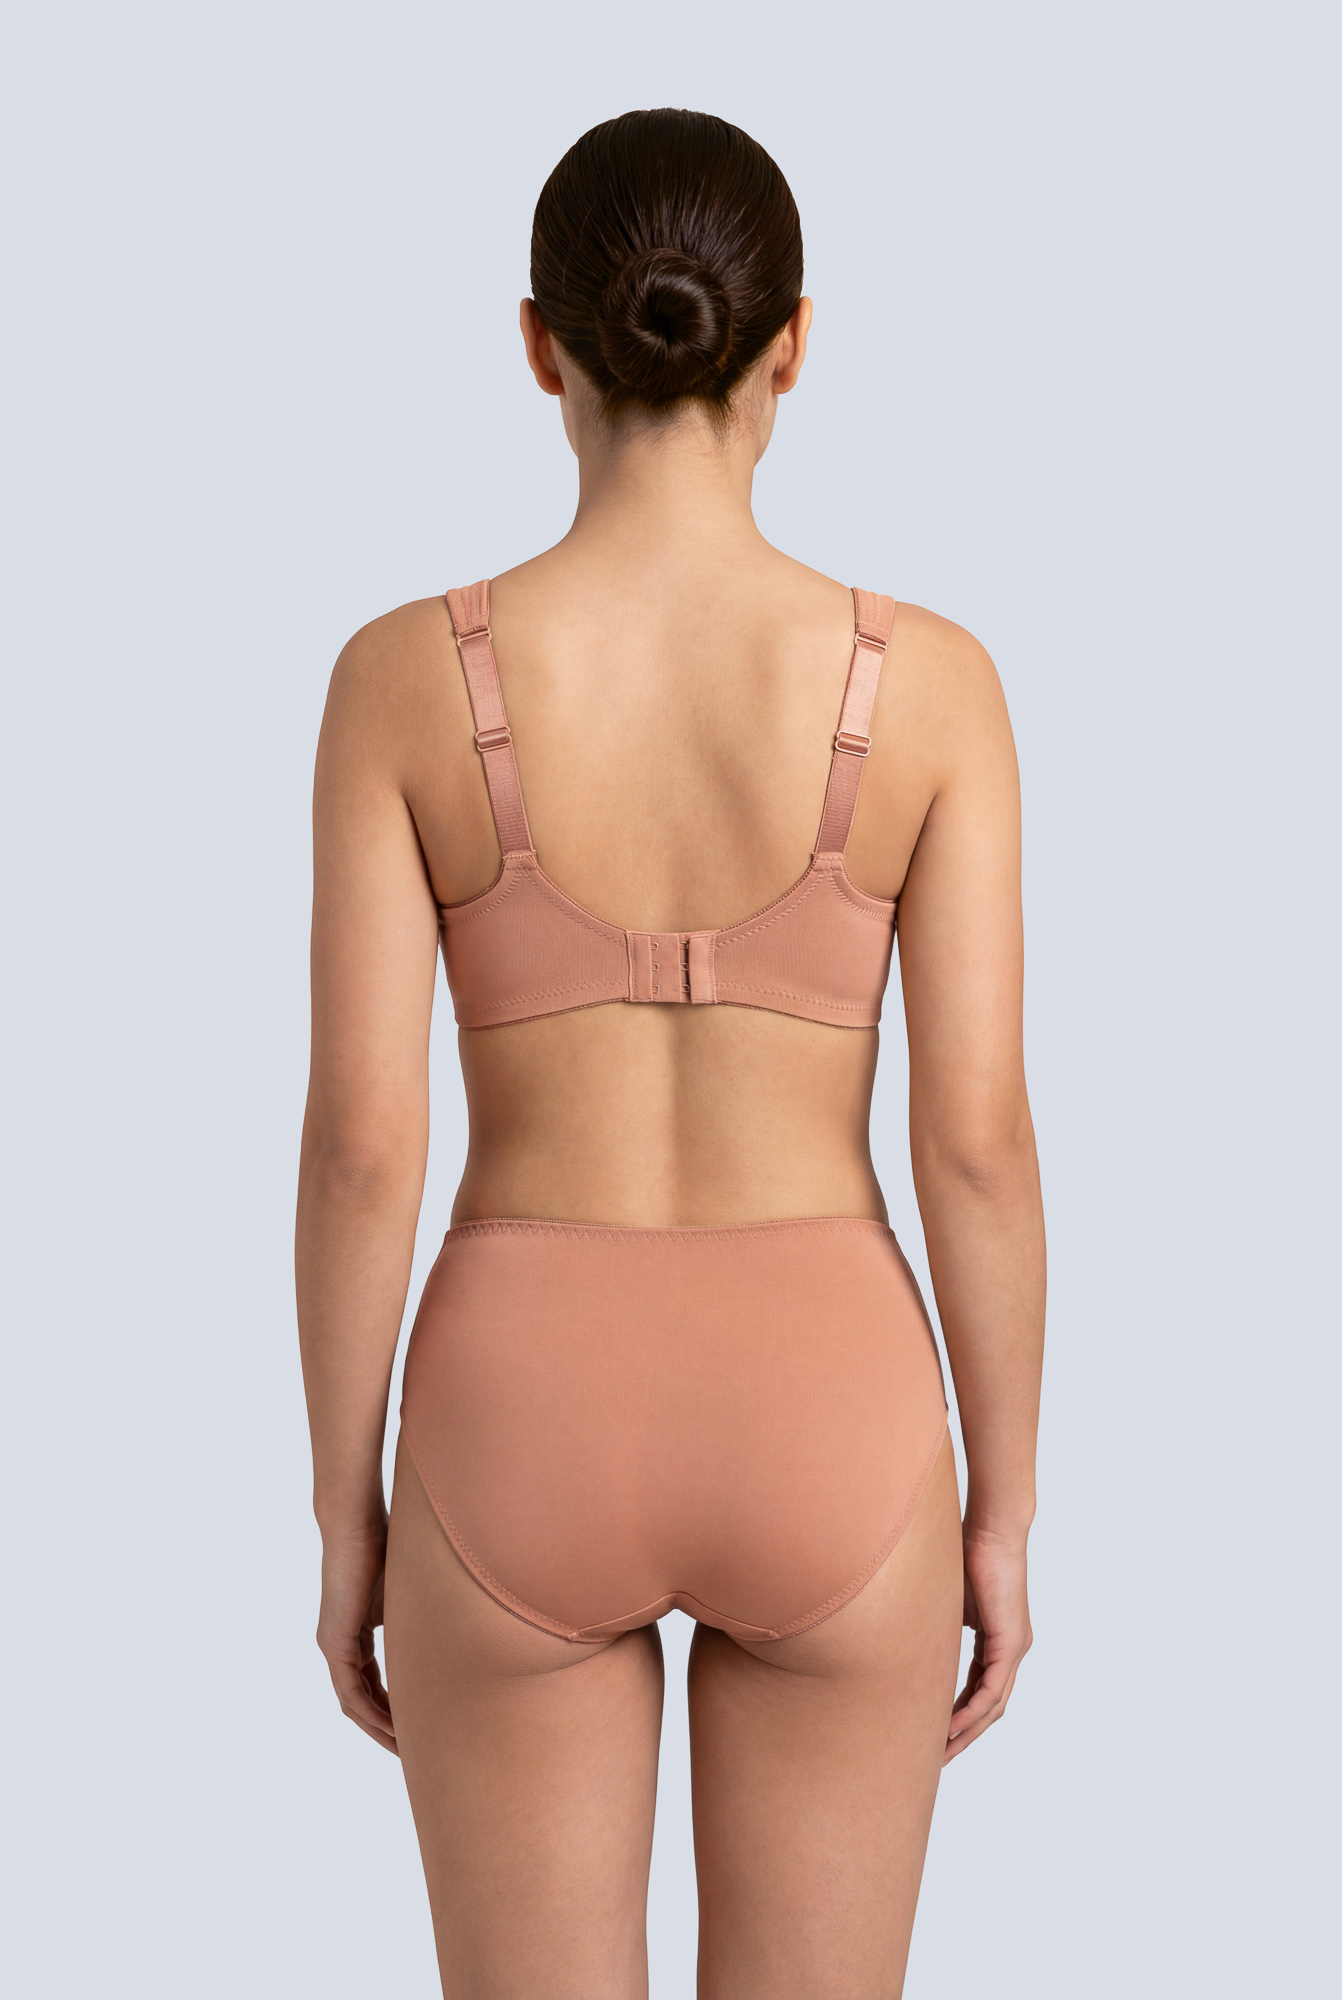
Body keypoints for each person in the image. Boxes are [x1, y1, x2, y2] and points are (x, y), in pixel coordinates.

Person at [296, 107, 1045, 2000]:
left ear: (536, 345)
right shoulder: (931, 686)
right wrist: (1003, 1509)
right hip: (830, 1406)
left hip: (517, 1408)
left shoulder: (400, 679)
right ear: (792, 341)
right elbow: (974, 1144)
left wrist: (344, 1513)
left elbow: (365, 1147)